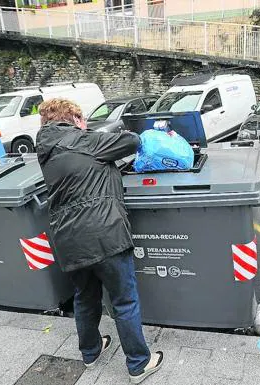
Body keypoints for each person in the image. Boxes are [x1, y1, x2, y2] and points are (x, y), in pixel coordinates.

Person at [36, 98, 164, 384]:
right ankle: (138, 364)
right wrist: (91, 132)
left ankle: (91, 353)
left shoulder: (46, 148)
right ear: (77, 118)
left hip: (68, 241)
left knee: (85, 297)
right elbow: (131, 141)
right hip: (104, 235)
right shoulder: (84, 140)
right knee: (124, 301)